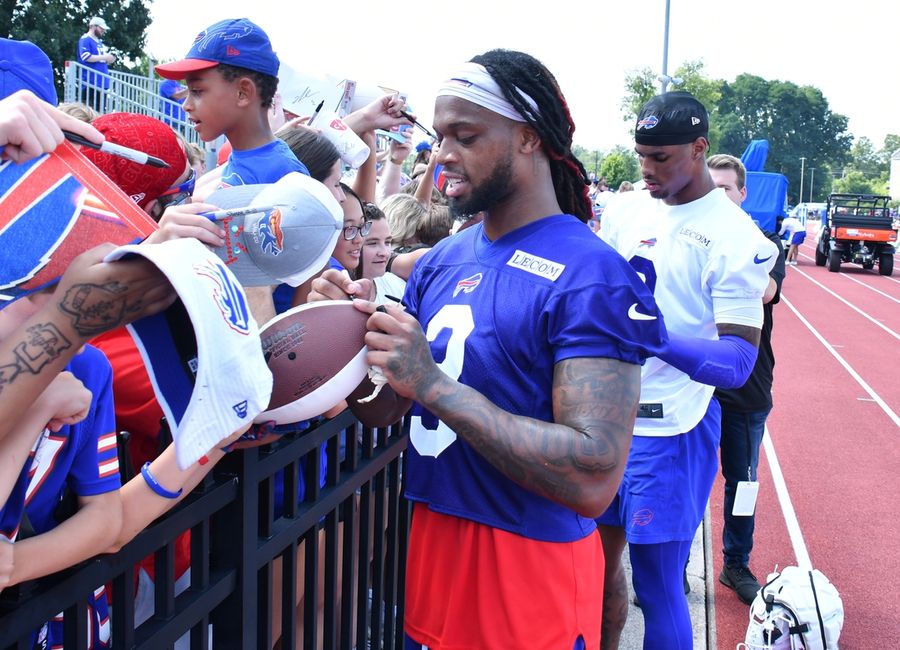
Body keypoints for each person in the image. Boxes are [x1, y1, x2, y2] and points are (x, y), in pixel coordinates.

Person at [309, 49, 666, 650]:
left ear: (529, 138)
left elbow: (592, 476)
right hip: (433, 543)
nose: (443, 153)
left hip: (529, 565)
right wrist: (346, 333)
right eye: (441, 134)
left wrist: (433, 385)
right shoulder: (445, 258)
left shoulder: (591, 274)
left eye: (465, 135)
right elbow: (385, 409)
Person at [596, 92, 778, 649]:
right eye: (641, 155)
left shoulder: (736, 235)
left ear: (700, 149)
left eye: (662, 158)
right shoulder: (626, 208)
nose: (647, 170)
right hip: (601, 417)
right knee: (592, 577)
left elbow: (739, 362)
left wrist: (657, 338)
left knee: (656, 588)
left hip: (669, 426)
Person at [707, 154, 786, 605]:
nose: (718, 197)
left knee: (743, 483)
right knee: (690, 479)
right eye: (710, 189)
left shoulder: (766, 243)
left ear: (742, 194)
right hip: (697, 384)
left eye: (726, 190)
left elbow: (767, 290)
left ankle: (735, 563)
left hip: (748, 388)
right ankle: (675, 562)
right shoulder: (694, 240)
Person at [154, 18, 308, 189]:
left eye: (197, 91)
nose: (186, 105)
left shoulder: (285, 176)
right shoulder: (241, 157)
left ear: (243, 93)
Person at [78, 16, 114, 112]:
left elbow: (98, 58)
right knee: (90, 112)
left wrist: (108, 59)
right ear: (93, 26)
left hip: (101, 82)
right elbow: (85, 57)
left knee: (100, 111)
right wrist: (105, 57)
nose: (103, 31)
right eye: (101, 28)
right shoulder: (85, 39)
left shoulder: (99, 42)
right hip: (91, 82)